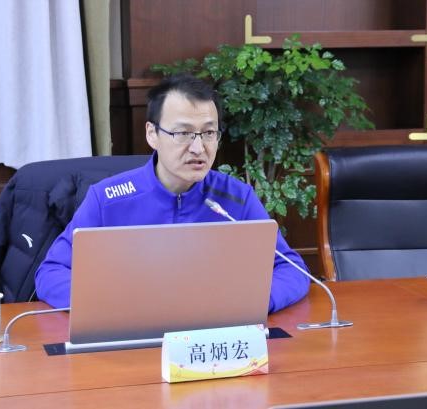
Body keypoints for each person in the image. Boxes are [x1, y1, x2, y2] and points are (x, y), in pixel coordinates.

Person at [35, 74, 310, 313]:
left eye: (209, 133)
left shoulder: (236, 199)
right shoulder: (107, 199)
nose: (198, 148)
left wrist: (254, 303)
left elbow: (291, 269)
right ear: (152, 134)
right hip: (131, 332)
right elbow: (52, 272)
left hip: (212, 333)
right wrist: (107, 306)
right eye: (183, 133)